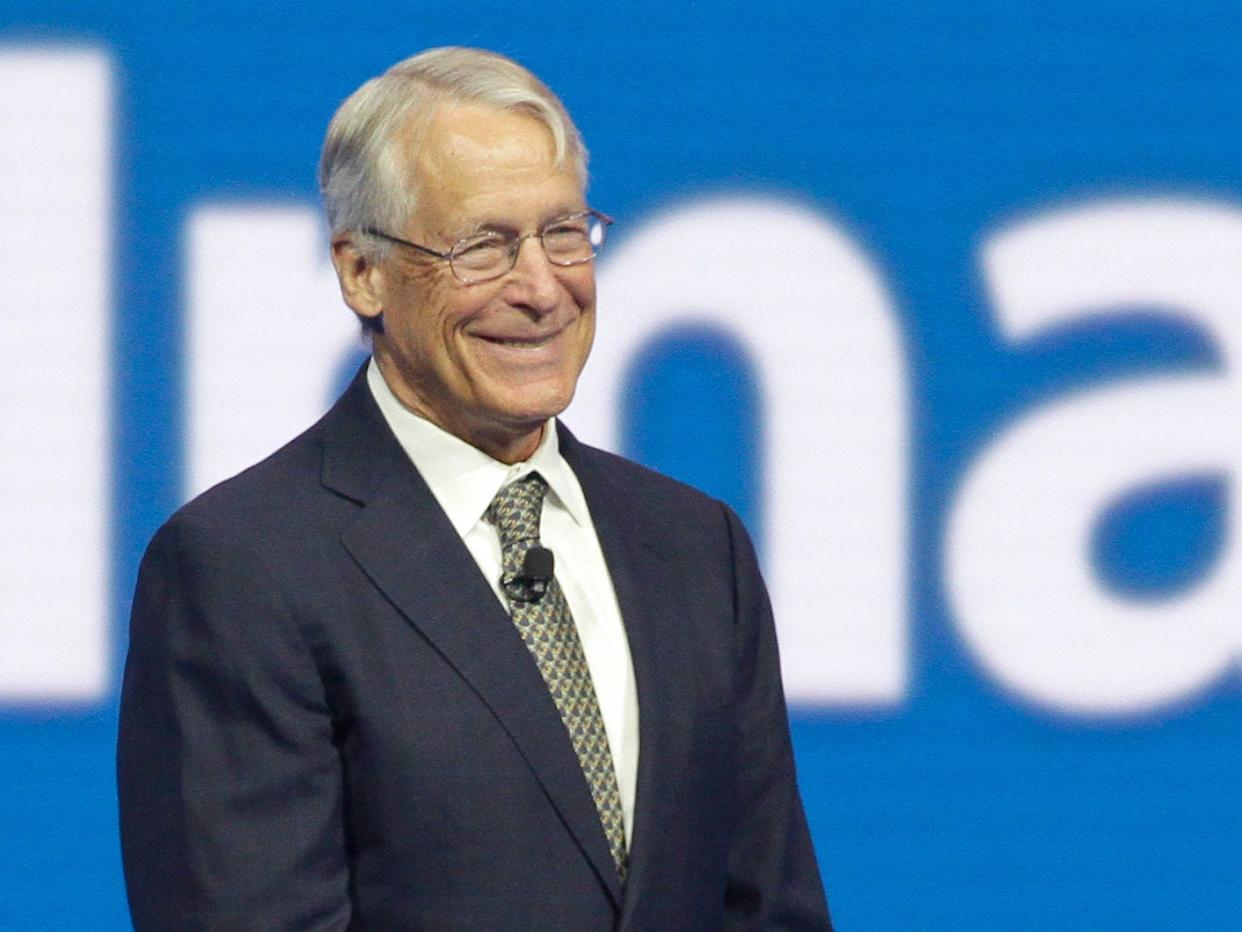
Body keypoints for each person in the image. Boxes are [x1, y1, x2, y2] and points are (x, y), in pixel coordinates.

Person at [118, 46, 831, 930]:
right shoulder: (244, 568)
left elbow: (767, 906)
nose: (541, 289)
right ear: (361, 271)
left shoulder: (695, 547)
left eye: (564, 233)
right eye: (483, 246)